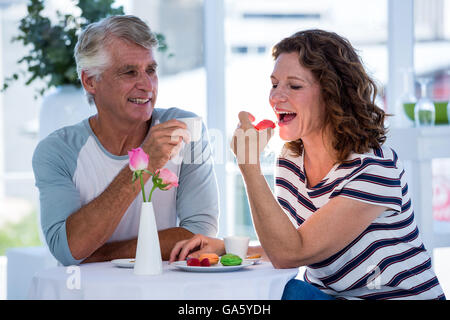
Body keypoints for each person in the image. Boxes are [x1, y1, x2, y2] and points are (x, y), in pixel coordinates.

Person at [169, 29, 446, 300]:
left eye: (295, 85)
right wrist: (226, 249)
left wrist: (249, 166)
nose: (276, 97)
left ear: (332, 94)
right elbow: (288, 243)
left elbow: (290, 253)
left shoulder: (374, 169)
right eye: (274, 83)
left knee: (283, 293)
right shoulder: (290, 163)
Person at [32, 15, 219, 266]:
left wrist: (98, 253)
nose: (147, 86)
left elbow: (200, 237)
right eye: (129, 72)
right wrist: (144, 163)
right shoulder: (57, 151)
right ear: (90, 81)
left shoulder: (185, 129)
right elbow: (69, 249)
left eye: (151, 70)